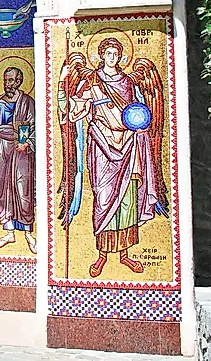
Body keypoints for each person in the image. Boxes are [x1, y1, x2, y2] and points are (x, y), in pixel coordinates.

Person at [67, 37, 165, 277]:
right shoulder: (92, 80)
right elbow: (78, 109)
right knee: (103, 197)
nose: (112, 57)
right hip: (102, 145)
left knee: (128, 199)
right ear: (101, 55)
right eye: (108, 53)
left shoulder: (128, 83)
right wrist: (72, 105)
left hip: (129, 145)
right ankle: (101, 255)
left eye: (116, 53)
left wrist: (141, 123)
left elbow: (137, 109)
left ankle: (125, 255)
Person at [0, 66, 36, 253]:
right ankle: (9, 232)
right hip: (1, 151)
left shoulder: (27, 102)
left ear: (19, 81)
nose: (8, 84)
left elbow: (32, 124)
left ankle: (28, 233)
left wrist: (25, 142)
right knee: (2, 189)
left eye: (11, 80)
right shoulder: (0, 104)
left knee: (23, 190)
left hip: (20, 152)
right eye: (5, 80)